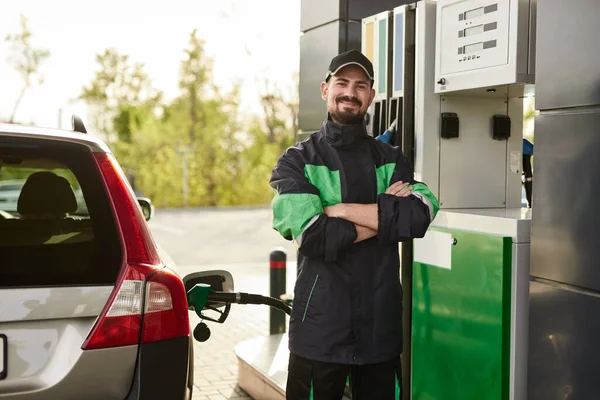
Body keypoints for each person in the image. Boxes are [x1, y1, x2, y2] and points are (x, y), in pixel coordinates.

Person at [269, 49, 439, 400]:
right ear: (324, 89)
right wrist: (385, 217)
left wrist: (339, 210)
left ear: (371, 96)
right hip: (319, 331)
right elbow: (314, 236)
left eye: (361, 85)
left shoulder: (391, 160)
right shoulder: (297, 161)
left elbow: (419, 214)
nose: (351, 92)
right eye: (342, 83)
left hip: (380, 330)